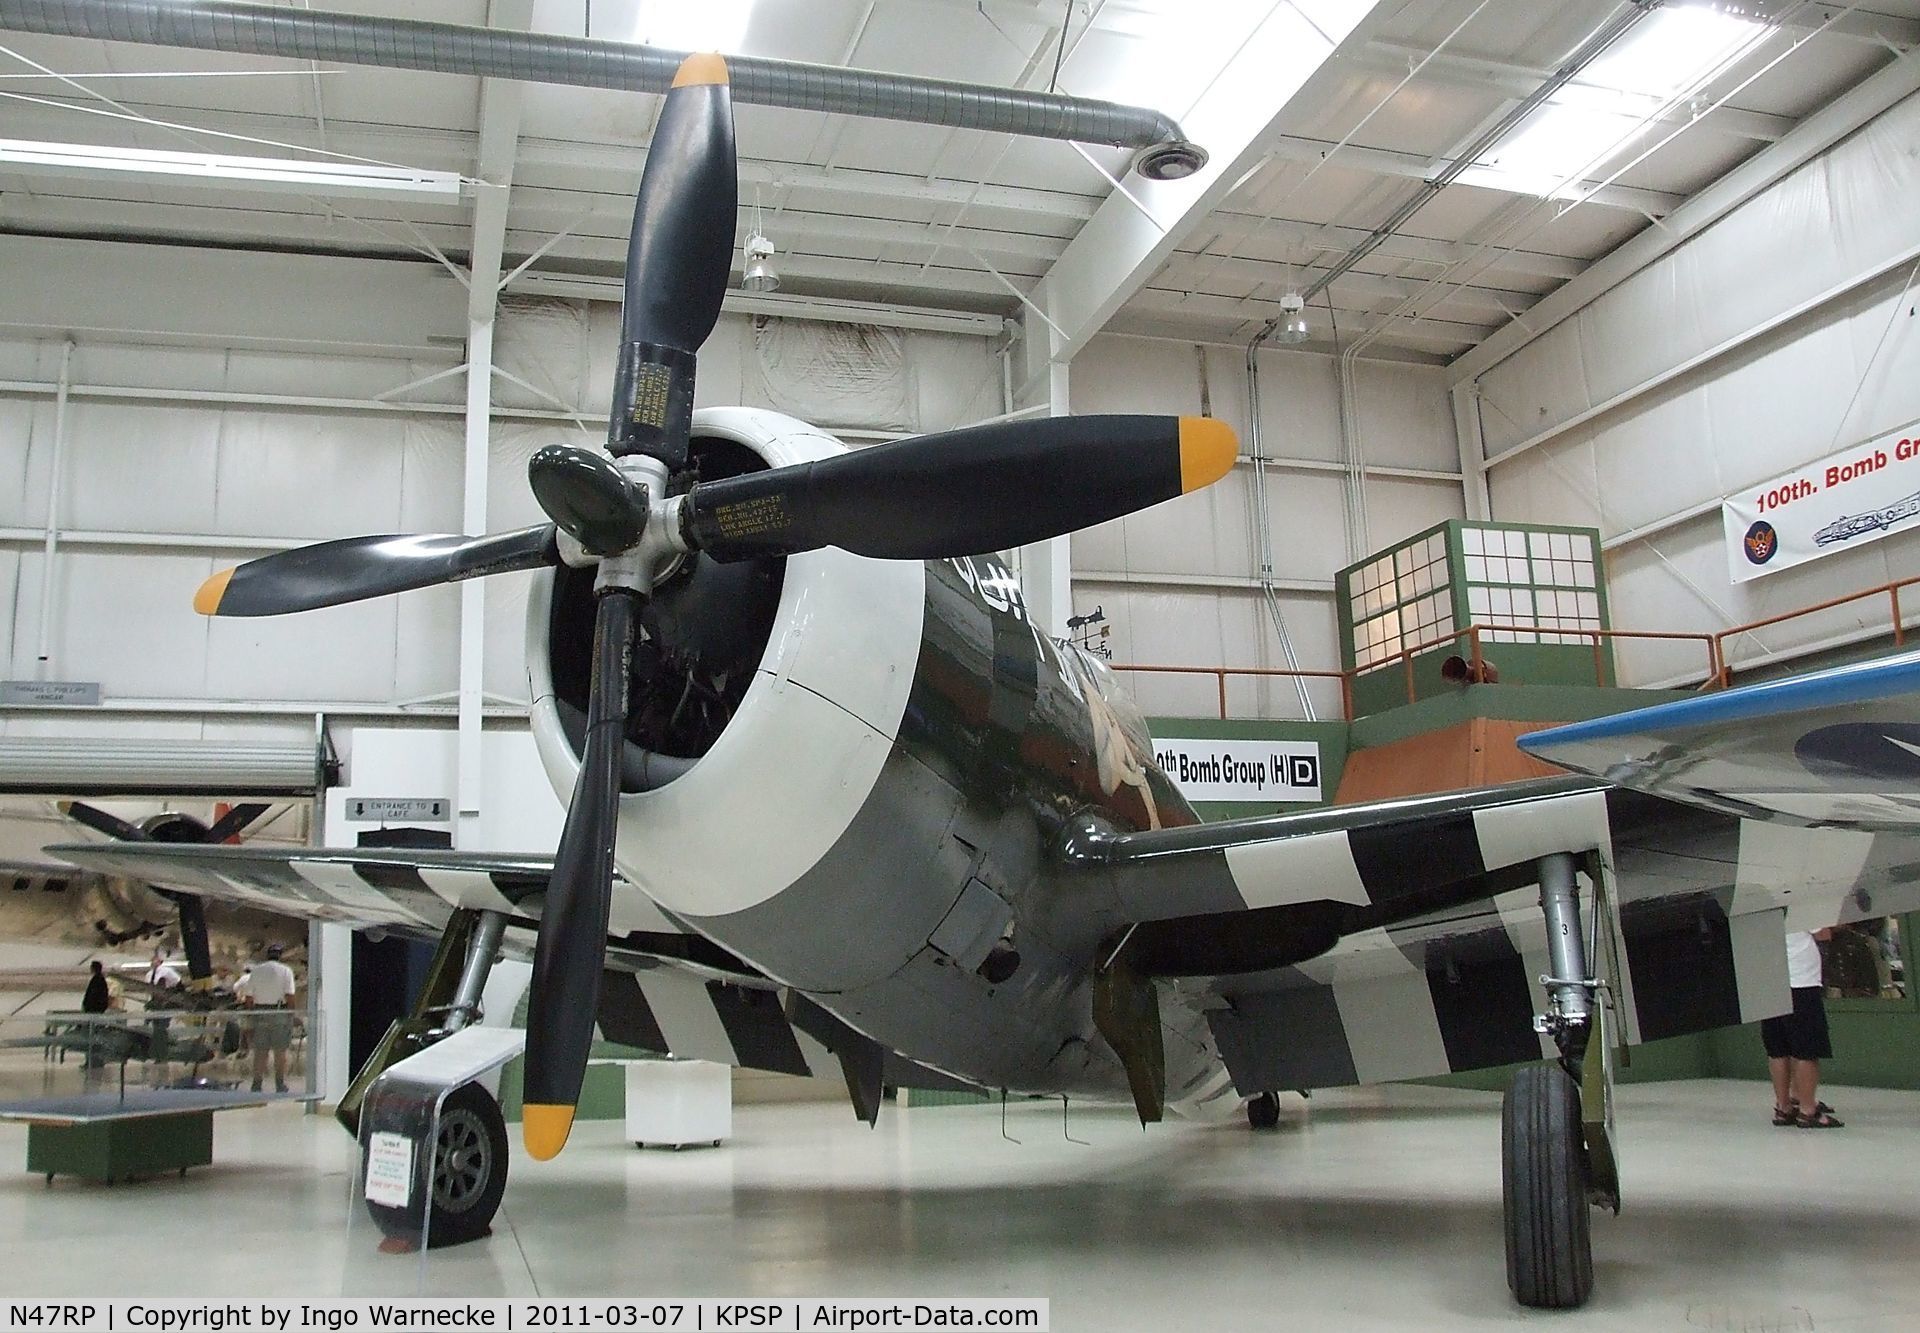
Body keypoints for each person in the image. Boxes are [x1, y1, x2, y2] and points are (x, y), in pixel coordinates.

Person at [1764, 928, 1843, 1128]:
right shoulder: (1800, 904)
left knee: (1778, 1048)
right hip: (1800, 981)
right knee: (1807, 1049)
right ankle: (1808, 1110)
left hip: (1768, 980)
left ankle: (1784, 1106)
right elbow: (1824, 933)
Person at [245, 944, 298, 1094]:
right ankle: (280, 1084)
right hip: (279, 1012)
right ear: (280, 955)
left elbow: (249, 997)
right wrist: (291, 1015)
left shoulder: (256, 971)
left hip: (259, 1012)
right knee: (280, 1052)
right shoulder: (286, 971)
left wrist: (250, 1015)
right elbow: (290, 996)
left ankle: (256, 1084)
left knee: (260, 1052)